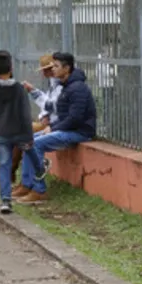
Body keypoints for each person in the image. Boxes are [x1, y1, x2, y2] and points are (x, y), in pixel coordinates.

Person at [13, 52, 96, 204]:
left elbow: (75, 118)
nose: (53, 70)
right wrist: (52, 126)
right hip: (67, 129)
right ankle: (26, 184)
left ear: (67, 68)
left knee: (36, 144)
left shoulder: (77, 88)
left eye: (56, 66)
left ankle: (39, 190)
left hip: (80, 132)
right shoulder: (65, 86)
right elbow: (60, 113)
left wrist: (53, 128)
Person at [0, 50, 45, 214]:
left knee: (4, 165)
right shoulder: (19, 89)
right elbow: (25, 113)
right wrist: (27, 133)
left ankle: (5, 200)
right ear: (11, 68)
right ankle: (40, 169)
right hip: (20, 130)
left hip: (2, 132)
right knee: (30, 149)